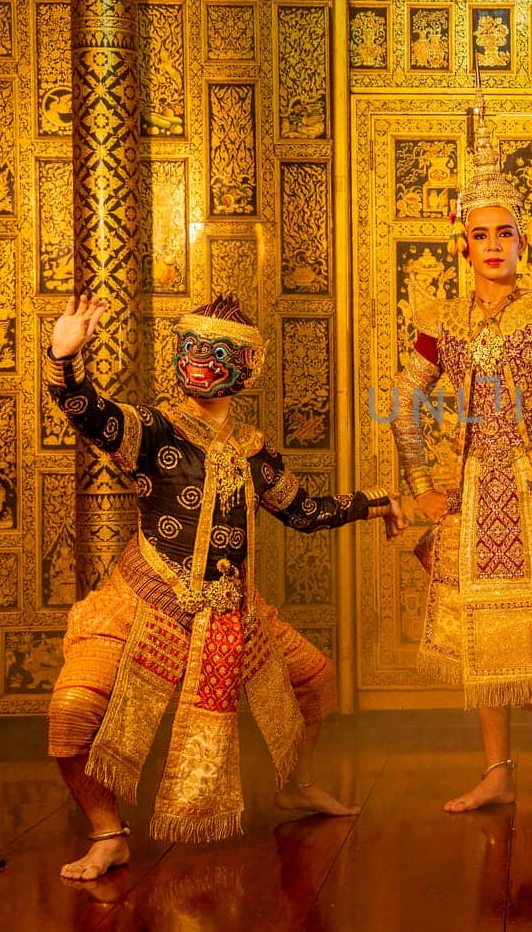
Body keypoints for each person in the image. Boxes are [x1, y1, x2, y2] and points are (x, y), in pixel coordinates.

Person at [46, 294, 405, 881]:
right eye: (191, 349)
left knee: (316, 681)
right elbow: (91, 413)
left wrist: (380, 503)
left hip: (231, 612)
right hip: (144, 603)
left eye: (218, 353)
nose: (201, 362)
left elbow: (305, 510)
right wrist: (65, 363)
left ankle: (297, 787)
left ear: (246, 369)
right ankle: (108, 834)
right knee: (70, 712)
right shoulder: (152, 430)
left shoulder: (252, 450)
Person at [392, 95, 532, 815]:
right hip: (470, 494)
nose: (492, 245)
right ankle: (497, 770)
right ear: (463, 243)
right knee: (489, 636)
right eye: (479, 234)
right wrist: (421, 484)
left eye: (504, 234)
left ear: (523, 242)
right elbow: (403, 404)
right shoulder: (443, 320)